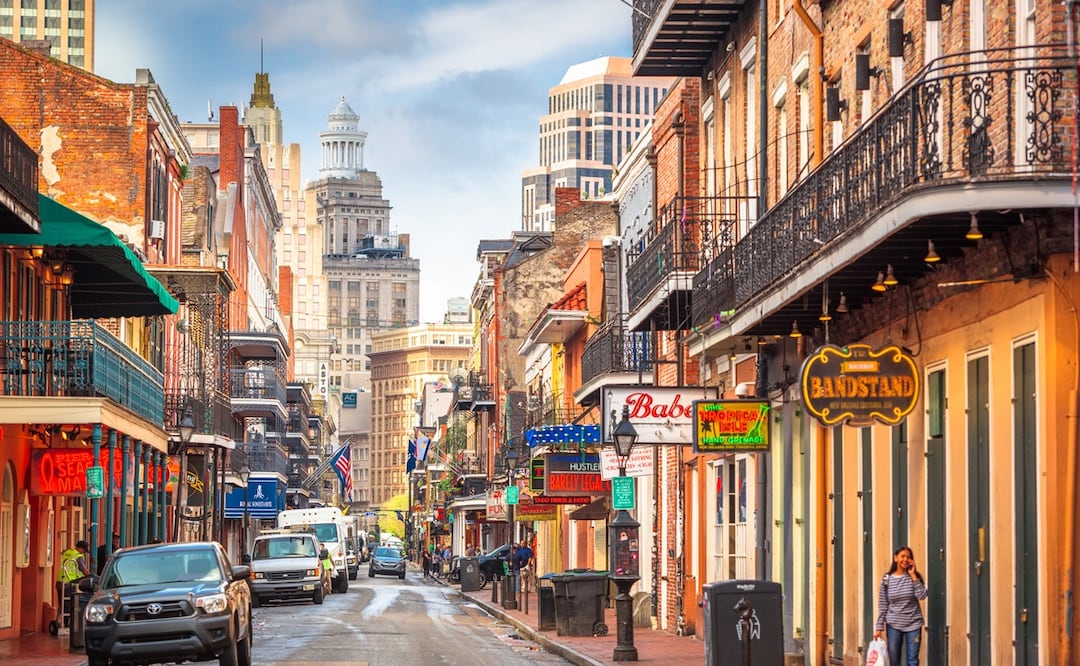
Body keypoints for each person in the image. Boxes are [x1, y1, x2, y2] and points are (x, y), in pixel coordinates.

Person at [874, 546, 928, 666]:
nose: (905, 559)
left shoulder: (914, 577)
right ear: (895, 558)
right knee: (893, 660)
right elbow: (883, 603)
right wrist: (879, 627)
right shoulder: (887, 579)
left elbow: (922, 595)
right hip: (894, 624)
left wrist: (913, 576)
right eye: (902, 556)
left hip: (913, 624)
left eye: (908, 557)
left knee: (912, 660)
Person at [56, 540, 89, 624]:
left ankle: (60, 622)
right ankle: (67, 623)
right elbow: (84, 571)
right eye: (84, 550)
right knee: (70, 605)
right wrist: (90, 575)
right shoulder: (78, 556)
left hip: (60, 581)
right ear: (80, 548)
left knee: (62, 604)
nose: (83, 552)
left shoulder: (68, 552)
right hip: (69, 583)